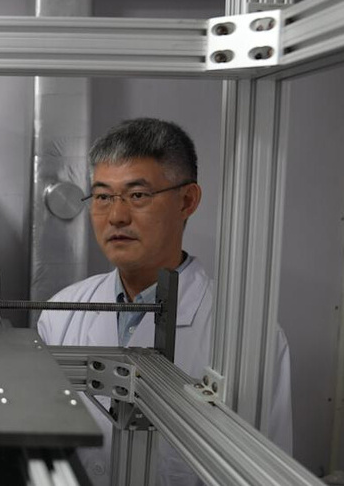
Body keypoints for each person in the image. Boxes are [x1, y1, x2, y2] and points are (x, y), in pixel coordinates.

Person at [37, 118, 292, 485]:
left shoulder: (251, 339)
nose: (116, 216)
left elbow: (265, 475)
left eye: (138, 195)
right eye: (103, 196)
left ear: (187, 201)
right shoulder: (61, 313)